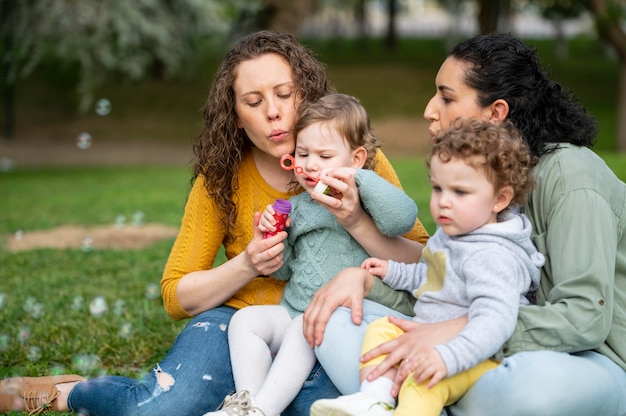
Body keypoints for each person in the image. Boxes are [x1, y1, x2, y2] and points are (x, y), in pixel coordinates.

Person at [0, 31, 429, 416]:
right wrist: (248, 263)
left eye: (285, 94)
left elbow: (427, 264)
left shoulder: (356, 162)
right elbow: (175, 294)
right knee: (158, 410)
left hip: (336, 324)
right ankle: (70, 393)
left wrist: (356, 221)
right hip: (244, 323)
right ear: (235, 114)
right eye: (255, 102)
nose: (274, 114)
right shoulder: (221, 177)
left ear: (307, 94)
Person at [304, 33, 626, 416]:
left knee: (527, 391)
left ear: (496, 112)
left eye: (446, 96)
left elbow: (585, 317)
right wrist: (368, 281)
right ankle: (414, 399)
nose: (429, 110)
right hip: (481, 345)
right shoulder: (468, 183)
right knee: (335, 322)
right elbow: (448, 282)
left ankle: (415, 396)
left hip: (586, 359)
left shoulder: (570, 175)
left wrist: (459, 329)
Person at [310, 118, 544, 416]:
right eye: (438, 188)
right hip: (431, 332)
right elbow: (436, 276)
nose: (444, 202)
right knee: (383, 329)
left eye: (460, 192)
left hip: (477, 355)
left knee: (421, 382)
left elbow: (494, 323)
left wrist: (446, 358)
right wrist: (395, 272)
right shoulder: (457, 233)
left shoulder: (492, 255)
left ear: (500, 199)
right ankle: (374, 400)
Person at [205, 93, 418, 416]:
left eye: (324, 155)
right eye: (302, 153)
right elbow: (283, 271)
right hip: (296, 309)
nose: (310, 164)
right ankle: (246, 402)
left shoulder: (366, 199)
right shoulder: (298, 208)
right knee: (245, 321)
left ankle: (264, 409)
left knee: (301, 327)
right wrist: (273, 240)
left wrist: (359, 181)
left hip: (347, 318)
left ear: (356, 158)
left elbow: (401, 218)